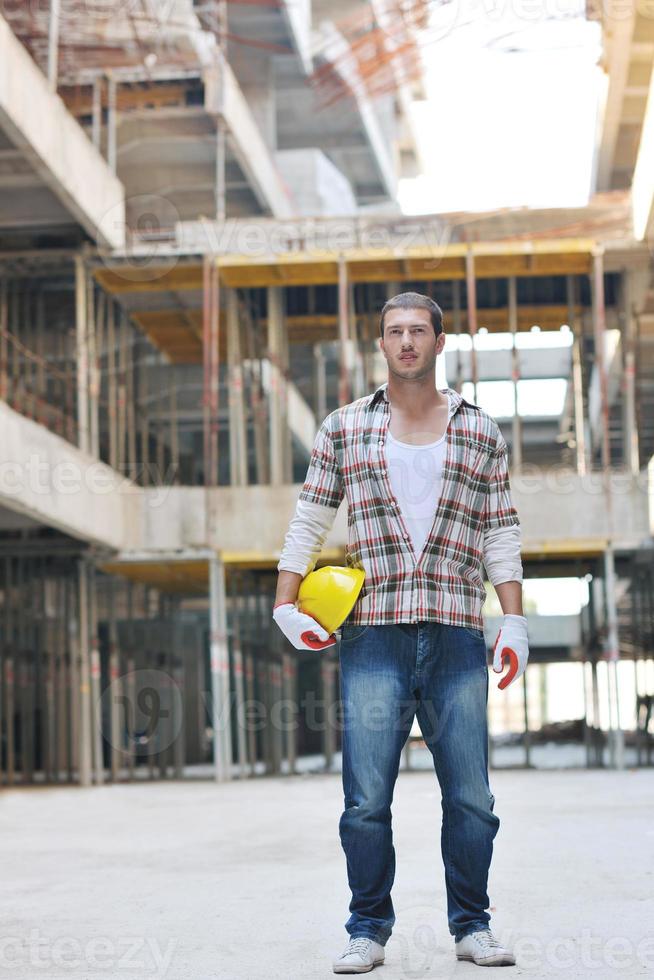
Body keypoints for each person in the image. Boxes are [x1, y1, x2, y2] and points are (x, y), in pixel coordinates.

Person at [273, 291, 529, 973]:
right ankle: (367, 929)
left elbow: (500, 529)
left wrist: (514, 620)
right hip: (374, 636)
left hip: (455, 632)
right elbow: (309, 517)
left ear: (439, 342)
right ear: (380, 344)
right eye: (395, 332)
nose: (407, 341)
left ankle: (472, 926)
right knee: (365, 800)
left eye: (419, 330)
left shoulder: (480, 431)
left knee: (472, 797)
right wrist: (284, 603)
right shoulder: (344, 427)